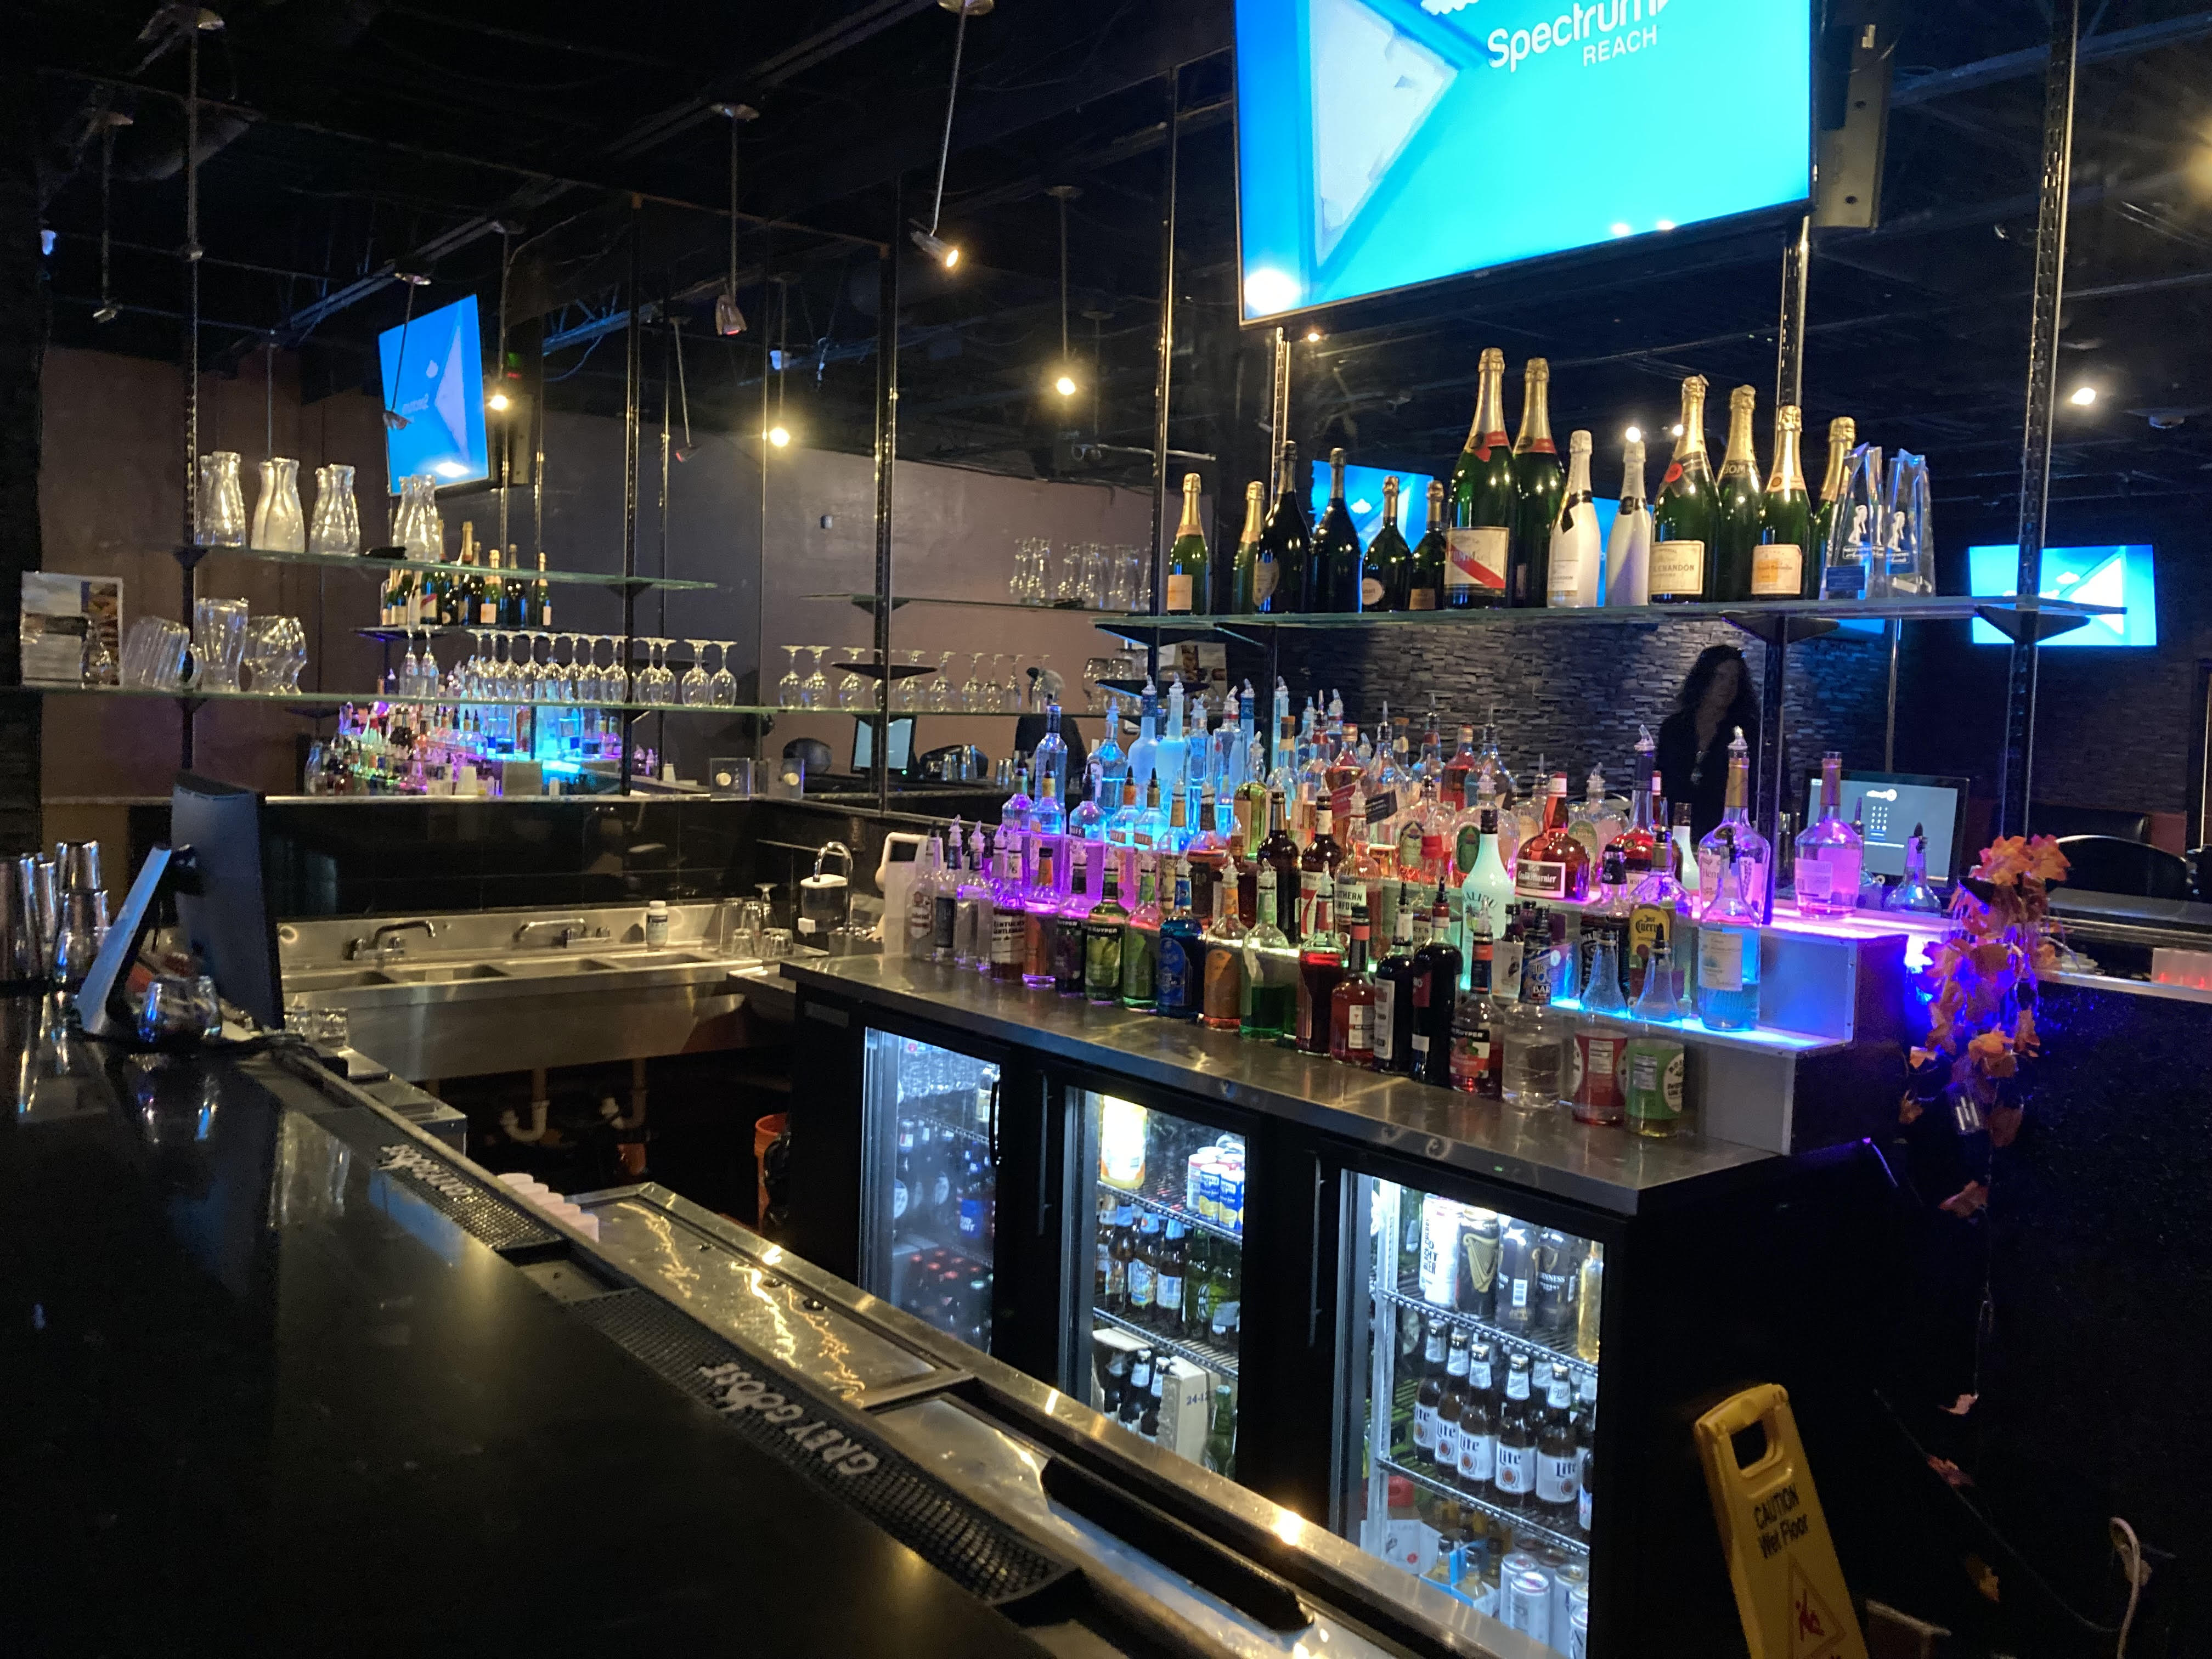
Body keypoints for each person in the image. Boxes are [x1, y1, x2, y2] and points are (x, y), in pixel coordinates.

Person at [1657, 644, 1759, 844]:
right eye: (1721, 677)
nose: (1727, 686)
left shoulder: (1748, 732)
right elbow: (1662, 784)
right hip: (1674, 835)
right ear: (1704, 679)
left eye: (1734, 680)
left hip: (1726, 839)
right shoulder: (1674, 728)